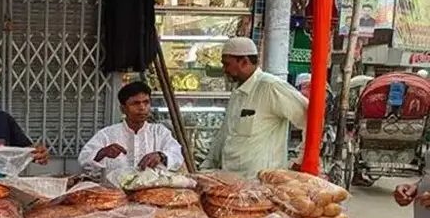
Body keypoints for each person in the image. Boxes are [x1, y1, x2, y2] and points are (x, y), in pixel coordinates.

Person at [202, 37, 308, 178]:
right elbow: (226, 133)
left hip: (261, 184)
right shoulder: (237, 91)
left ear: (244, 62)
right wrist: (208, 165)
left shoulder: (270, 87)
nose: (224, 70)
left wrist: (300, 161)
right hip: (231, 180)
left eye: (227, 64)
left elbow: (310, 119)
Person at [78, 81, 183, 173]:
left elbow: (177, 155)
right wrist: (102, 153)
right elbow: (84, 161)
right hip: (115, 192)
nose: (142, 108)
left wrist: (161, 156)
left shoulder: (160, 132)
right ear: (123, 109)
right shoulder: (107, 134)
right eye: (135, 103)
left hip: (152, 192)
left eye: (146, 102)